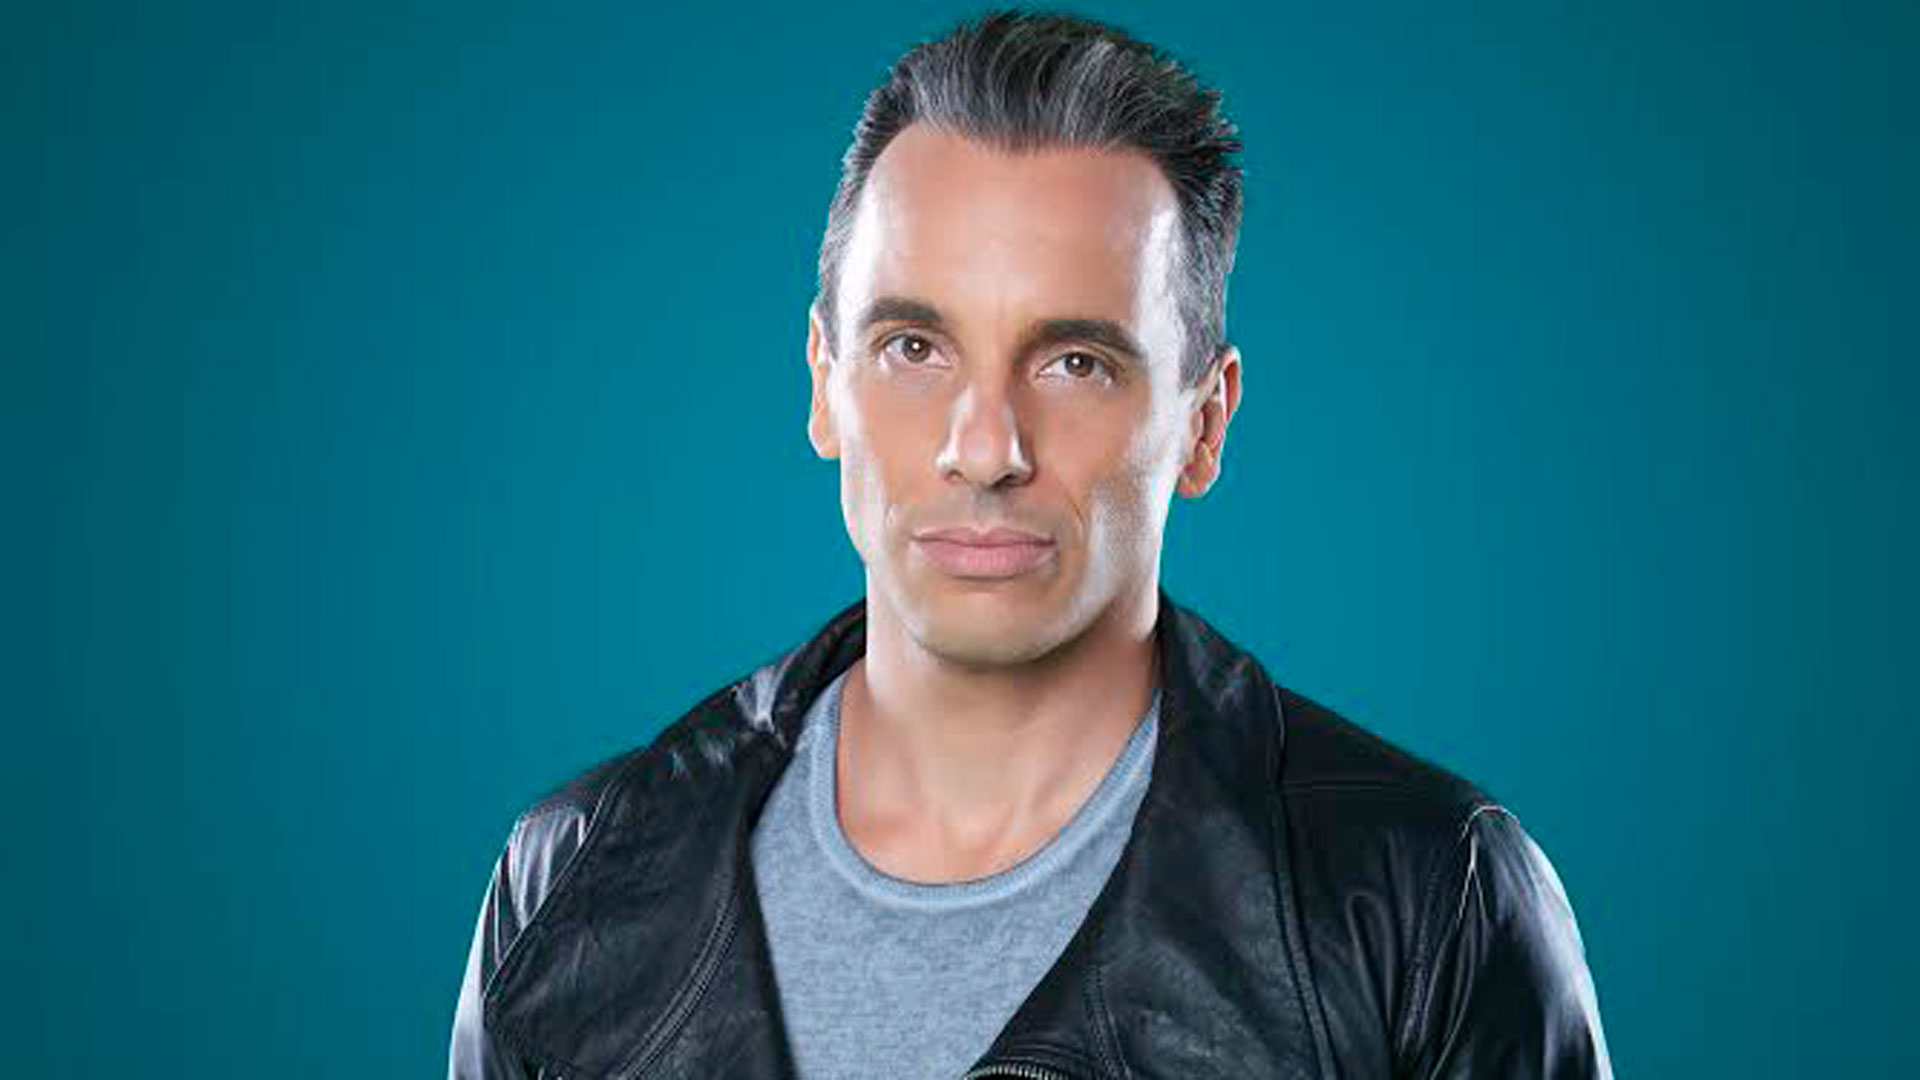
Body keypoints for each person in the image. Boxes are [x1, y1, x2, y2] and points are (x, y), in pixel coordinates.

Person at [447, 9, 1613, 1078]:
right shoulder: (572, 880)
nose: (985, 448)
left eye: (1075, 363)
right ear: (823, 384)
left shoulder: (1426, 901)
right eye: (914, 349)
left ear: (1204, 425)